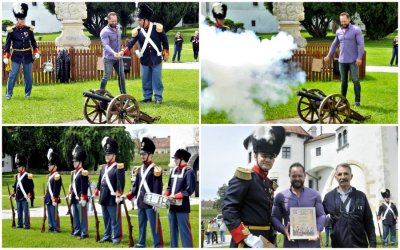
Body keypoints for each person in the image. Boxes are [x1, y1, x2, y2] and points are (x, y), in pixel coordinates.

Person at [222, 126, 286, 248]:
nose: (267, 160)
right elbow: (228, 209)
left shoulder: (268, 183)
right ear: (256, 156)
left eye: (271, 157)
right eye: (264, 156)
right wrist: (246, 237)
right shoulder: (245, 178)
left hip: (267, 240)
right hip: (249, 241)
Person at [120, 3, 169, 104]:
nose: (138, 22)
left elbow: (165, 40)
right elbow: (131, 42)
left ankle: (158, 97)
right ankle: (147, 97)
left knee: (157, 79)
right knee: (145, 79)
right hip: (145, 59)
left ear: (146, 20)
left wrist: (166, 51)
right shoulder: (138, 31)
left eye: (140, 20)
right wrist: (124, 51)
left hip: (156, 58)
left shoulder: (156, 28)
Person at [271, 162, 326, 247]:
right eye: (294, 176)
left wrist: (318, 230)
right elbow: (274, 216)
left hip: (312, 244)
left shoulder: (315, 195)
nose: (297, 178)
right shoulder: (280, 196)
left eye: (300, 176)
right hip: (290, 244)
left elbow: (321, 215)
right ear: (289, 176)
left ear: (304, 176)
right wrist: (282, 229)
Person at [322, 163, 376, 247]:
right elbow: (318, 216)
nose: (343, 177)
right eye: (339, 174)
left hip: (360, 245)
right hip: (338, 245)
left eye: (346, 174)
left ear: (351, 176)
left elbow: (369, 222)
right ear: (336, 177)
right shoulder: (329, 197)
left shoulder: (361, 196)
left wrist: (373, 244)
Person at [123, 137, 163, 248]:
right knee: (141, 225)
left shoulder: (155, 169)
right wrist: (126, 196)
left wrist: (156, 203)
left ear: (151, 155)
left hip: (151, 204)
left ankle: (157, 245)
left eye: (144, 154)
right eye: (141, 154)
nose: (142, 156)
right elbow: (135, 187)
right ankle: (141, 243)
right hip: (140, 202)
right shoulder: (139, 169)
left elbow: (157, 188)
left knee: (154, 226)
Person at [324, 12, 364, 107]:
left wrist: (359, 57)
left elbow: (361, 44)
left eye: (345, 21)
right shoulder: (338, 31)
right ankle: (342, 101)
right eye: (342, 21)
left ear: (349, 19)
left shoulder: (356, 30)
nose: (343, 23)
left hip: (353, 61)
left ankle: (357, 101)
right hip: (342, 61)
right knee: (343, 82)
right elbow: (334, 44)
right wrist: (328, 56)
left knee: (355, 80)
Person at [3, 2, 40, 100]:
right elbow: (7, 45)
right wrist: (6, 56)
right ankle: (8, 94)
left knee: (28, 76)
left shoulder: (29, 29)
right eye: (21, 19)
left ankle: (27, 94)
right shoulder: (12, 30)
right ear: (17, 19)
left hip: (27, 55)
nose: (23, 21)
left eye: (24, 19)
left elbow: (33, 42)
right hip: (16, 55)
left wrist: (36, 51)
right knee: (13, 75)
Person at [95, 137, 125, 244]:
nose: (107, 156)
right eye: (106, 154)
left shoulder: (118, 167)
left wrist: (119, 193)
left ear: (114, 155)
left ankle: (116, 237)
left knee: (115, 219)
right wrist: (97, 189)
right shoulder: (103, 168)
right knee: (106, 219)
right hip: (103, 196)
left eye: (109, 154)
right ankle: (107, 236)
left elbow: (120, 182)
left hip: (113, 197)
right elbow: (100, 180)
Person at [164, 149, 196, 247]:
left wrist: (175, 196)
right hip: (172, 206)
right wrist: (165, 195)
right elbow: (169, 186)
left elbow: (189, 190)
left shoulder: (189, 172)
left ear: (182, 159)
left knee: (184, 232)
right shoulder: (173, 170)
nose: (174, 161)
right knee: (172, 231)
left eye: (176, 159)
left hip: (182, 207)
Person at [99, 12, 126, 94]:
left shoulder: (118, 28)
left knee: (122, 75)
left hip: (118, 58)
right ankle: (101, 93)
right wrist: (114, 53)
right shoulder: (104, 32)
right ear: (108, 20)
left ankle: (124, 95)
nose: (114, 23)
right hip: (109, 58)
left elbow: (118, 42)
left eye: (116, 21)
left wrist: (120, 51)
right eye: (112, 21)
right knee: (106, 76)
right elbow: (106, 45)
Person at [69, 144, 89, 239]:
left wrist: (84, 197)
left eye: (75, 161)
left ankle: (84, 233)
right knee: (76, 216)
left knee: (82, 217)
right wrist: (70, 194)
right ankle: (77, 231)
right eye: (73, 161)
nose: (74, 163)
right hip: (74, 198)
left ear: (80, 162)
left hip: (81, 198)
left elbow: (84, 186)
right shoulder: (74, 173)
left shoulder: (83, 172)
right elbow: (73, 186)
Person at [11, 154, 34, 229]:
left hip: (25, 197)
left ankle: (26, 225)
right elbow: (15, 186)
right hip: (18, 197)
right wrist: (14, 193)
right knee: (19, 212)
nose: (17, 168)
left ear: (23, 167)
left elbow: (31, 187)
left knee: (25, 212)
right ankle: (20, 224)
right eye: (17, 167)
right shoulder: (17, 176)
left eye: (19, 167)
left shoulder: (28, 175)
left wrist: (29, 195)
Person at [45, 148, 62, 233]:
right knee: (49, 214)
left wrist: (55, 198)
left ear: (55, 166)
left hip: (53, 198)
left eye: (50, 165)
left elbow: (57, 189)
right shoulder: (50, 175)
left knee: (54, 214)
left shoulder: (57, 175)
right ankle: (51, 226)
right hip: (48, 198)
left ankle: (56, 227)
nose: (49, 166)